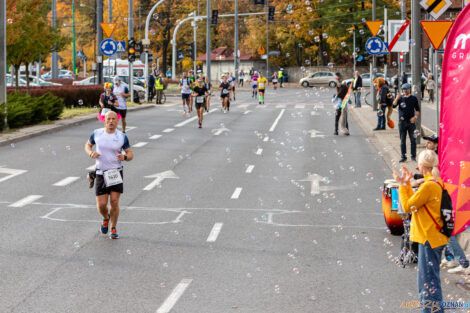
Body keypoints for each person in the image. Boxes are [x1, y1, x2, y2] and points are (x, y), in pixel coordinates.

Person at [394, 150, 448, 313]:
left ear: (421, 166)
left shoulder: (429, 186)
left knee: (427, 284)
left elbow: (409, 206)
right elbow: (415, 203)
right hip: (433, 238)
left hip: (429, 239)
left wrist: (403, 185)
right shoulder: (435, 182)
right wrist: (407, 184)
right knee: (431, 282)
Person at [85, 111, 134, 240]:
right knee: (101, 205)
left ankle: (113, 227)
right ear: (104, 120)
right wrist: (91, 153)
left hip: (115, 173)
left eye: (113, 119)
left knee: (114, 201)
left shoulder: (122, 136)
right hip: (101, 172)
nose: (111, 121)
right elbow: (88, 145)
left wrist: (124, 157)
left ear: (117, 121)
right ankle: (106, 218)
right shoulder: (97, 133)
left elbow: (130, 154)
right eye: (108, 119)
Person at [393, 83, 420, 163]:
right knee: (402, 140)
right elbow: (393, 106)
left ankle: (413, 157)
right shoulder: (400, 99)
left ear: (409, 89)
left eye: (406, 89)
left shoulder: (413, 98)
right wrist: (397, 98)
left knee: (413, 140)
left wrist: (415, 117)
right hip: (402, 122)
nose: (404, 90)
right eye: (403, 89)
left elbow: (418, 110)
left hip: (411, 122)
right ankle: (403, 156)